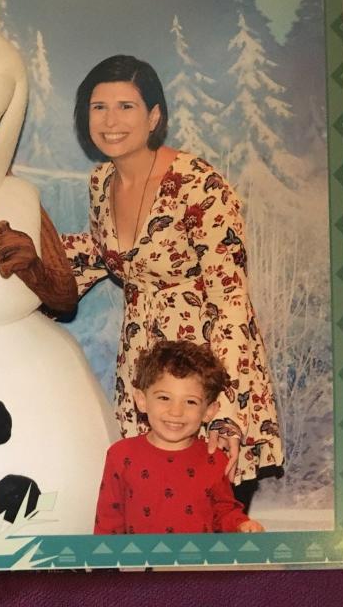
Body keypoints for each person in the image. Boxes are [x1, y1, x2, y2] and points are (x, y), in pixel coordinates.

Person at [62, 54, 283, 505]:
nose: (110, 120)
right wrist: (31, 263)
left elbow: (231, 302)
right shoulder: (101, 180)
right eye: (98, 107)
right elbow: (106, 254)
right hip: (142, 368)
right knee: (150, 516)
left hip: (204, 366)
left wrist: (224, 412)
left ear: (154, 116)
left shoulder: (199, 185)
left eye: (126, 106)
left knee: (209, 519)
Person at [94, 340, 264, 534]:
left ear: (209, 411)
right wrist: (106, 562)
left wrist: (241, 524)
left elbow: (224, 511)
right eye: (164, 398)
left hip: (197, 563)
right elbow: (108, 521)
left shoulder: (215, 459)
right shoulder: (121, 455)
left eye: (190, 402)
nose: (176, 412)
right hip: (140, 562)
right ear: (141, 401)